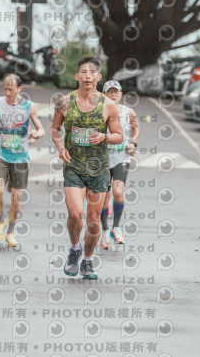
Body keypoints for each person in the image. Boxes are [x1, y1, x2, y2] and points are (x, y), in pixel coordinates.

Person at [51, 56, 123, 280]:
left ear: (98, 77)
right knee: (75, 214)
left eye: (92, 73)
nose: (88, 76)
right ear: (77, 76)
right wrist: (60, 146)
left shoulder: (108, 105)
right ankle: (75, 249)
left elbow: (119, 136)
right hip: (73, 167)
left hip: (99, 170)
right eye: (83, 72)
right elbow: (55, 128)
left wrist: (104, 137)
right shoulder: (64, 102)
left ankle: (88, 261)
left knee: (93, 220)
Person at [0, 74, 45, 247]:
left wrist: (35, 134)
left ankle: (11, 232)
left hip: (20, 156)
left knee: (17, 197)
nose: (7, 92)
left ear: (19, 89)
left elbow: (41, 130)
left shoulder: (29, 106)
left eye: (11, 89)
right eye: (5, 89)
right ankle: (0, 221)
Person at [99, 80, 140, 249]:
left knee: (118, 192)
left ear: (121, 94)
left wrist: (133, 142)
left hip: (122, 158)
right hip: (102, 159)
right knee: (103, 198)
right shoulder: (99, 111)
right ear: (104, 94)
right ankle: (104, 230)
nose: (113, 95)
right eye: (109, 92)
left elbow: (136, 127)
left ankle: (116, 227)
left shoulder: (128, 112)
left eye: (116, 92)